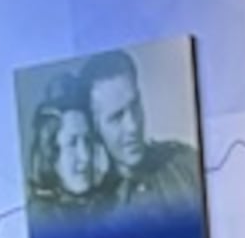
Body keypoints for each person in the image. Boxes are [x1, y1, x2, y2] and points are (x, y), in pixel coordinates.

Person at [80, 45, 201, 211]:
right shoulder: (89, 209)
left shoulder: (186, 165)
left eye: (135, 106)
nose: (133, 126)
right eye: (116, 117)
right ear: (95, 127)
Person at [26, 82, 107, 220]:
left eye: (87, 141)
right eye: (72, 143)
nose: (85, 156)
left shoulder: (108, 206)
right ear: (50, 152)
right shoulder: (39, 219)